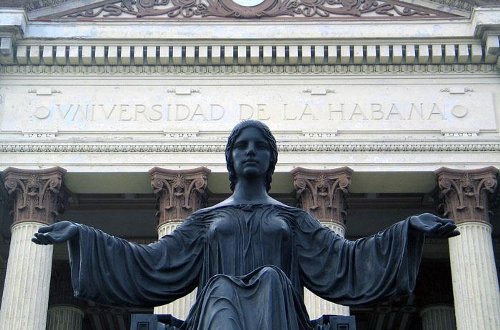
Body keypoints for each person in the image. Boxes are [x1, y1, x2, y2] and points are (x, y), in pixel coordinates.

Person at [32, 120, 459, 330]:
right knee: (220, 288)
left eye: (259, 147)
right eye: (241, 146)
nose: (250, 152)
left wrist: (408, 230)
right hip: (216, 315)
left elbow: (346, 262)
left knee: (272, 279)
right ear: (231, 159)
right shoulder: (205, 220)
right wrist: (84, 235)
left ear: (271, 160)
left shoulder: (292, 220)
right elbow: (152, 263)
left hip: (281, 314)